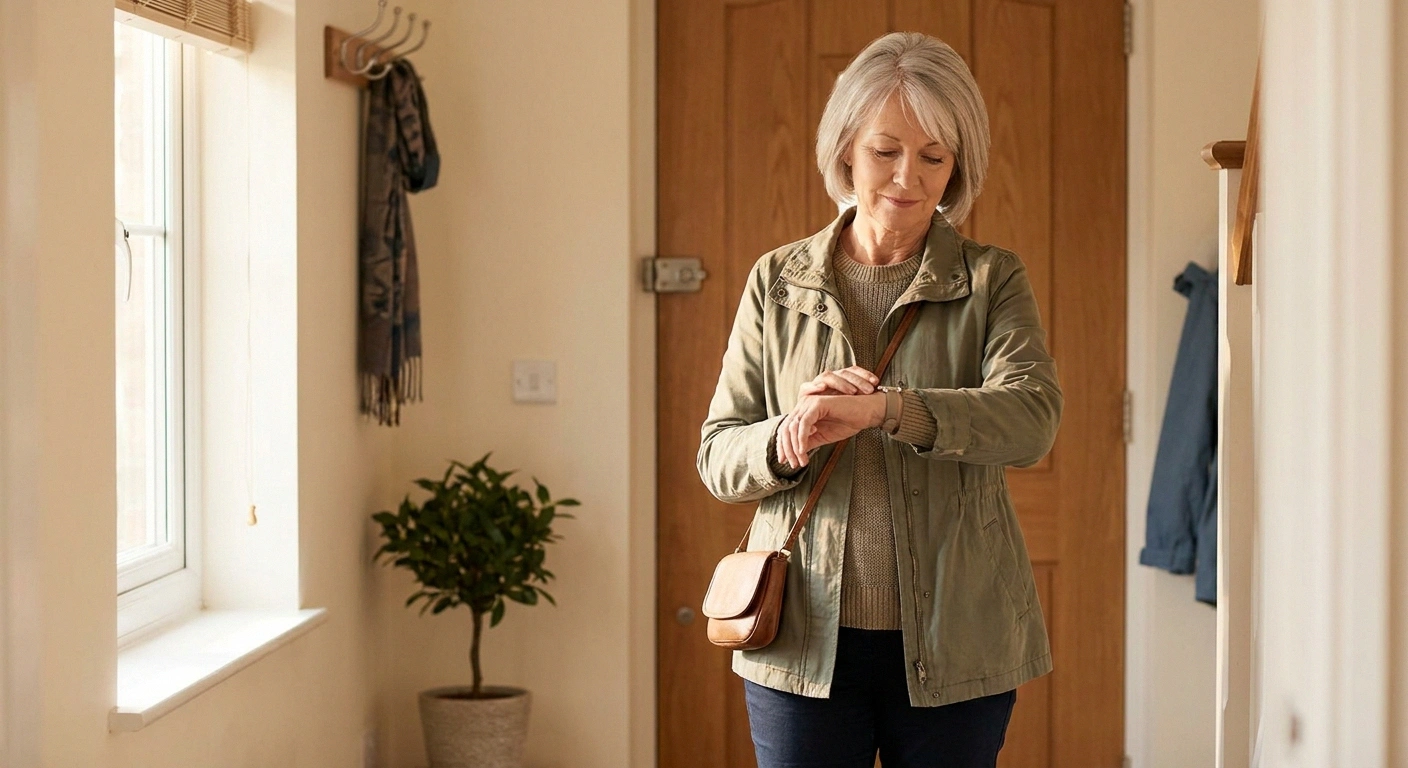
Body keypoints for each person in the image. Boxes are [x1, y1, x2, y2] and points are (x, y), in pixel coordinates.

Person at [696, 31, 1063, 768]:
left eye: (935, 155)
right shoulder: (777, 281)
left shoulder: (993, 280)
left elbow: (1032, 421)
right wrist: (789, 436)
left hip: (958, 643)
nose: (908, 177)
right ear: (845, 152)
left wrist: (886, 410)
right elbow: (718, 454)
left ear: (959, 165)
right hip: (799, 642)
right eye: (884, 150)